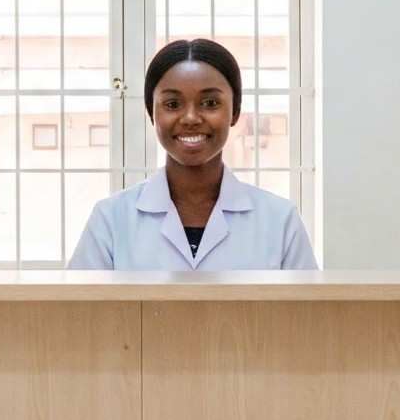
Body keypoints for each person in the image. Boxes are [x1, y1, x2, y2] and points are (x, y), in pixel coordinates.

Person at [68, 37, 317, 271]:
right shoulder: (111, 219)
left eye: (210, 103)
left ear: (235, 112)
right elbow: (78, 314)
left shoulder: (280, 221)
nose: (190, 118)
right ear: (151, 113)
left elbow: (308, 315)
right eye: (172, 105)